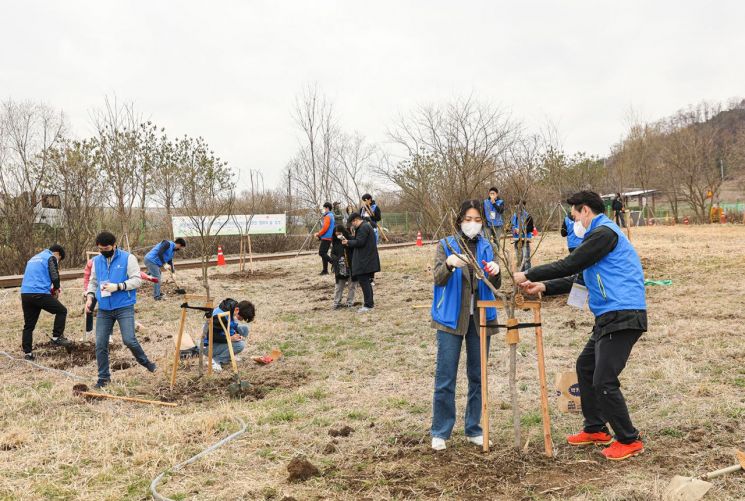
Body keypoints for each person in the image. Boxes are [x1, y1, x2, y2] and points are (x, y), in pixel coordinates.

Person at [513, 190, 647, 461]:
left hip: (623, 314)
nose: (572, 218)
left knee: (604, 380)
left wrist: (528, 272)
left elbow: (571, 263)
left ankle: (628, 439)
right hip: (608, 316)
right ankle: (596, 428)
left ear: (585, 210)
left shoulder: (604, 233)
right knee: (586, 367)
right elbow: (581, 277)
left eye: (574, 212)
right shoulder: (597, 238)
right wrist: (544, 286)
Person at [430, 199, 501, 451]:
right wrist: (449, 263)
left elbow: (496, 284)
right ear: (460, 220)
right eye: (468, 219)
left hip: (481, 318)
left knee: (478, 375)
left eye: (478, 220)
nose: (473, 224)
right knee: (445, 377)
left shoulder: (487, 246)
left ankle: (474, 428)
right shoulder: (446, 244)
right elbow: (438, 278)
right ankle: (440, 430)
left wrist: (496, 270)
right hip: (451, 318)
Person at [86, 231, 156, 388]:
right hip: (104, 308)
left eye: (107, 248)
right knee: (100, 344)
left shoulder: (127, 258)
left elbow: (137, 280)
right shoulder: (96, 261)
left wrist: (118, 286)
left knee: (129, 339)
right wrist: (90, 297)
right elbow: (93, 282)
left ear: (114, 245)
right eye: (101, 249)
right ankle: (103, 378)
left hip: (124, 305)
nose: (104, 251)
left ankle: (146, 363)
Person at [83, 255, 159, 339]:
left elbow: (137, 273)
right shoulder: (93, 262)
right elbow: (87, 278)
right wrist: (87, 291)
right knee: (89, 310)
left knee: (109, 310)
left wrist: (148, 277)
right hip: (94, 290)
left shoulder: (114, 261)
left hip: (106, 288)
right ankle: (88, 332)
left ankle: (109, 335)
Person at [20, 244, 71, 360]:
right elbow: (54, 274)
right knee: (62, 311)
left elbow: (37, 276)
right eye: (59, 260)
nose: (58, 262)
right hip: (39, 293)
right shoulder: (50, 257)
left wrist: (50, 290)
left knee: (28, 326)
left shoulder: (33, 258)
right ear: (57, 254)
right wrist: (57, 288)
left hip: (25, 294)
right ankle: (57, 336)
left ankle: (28, 353)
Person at [340, 212, 380, 313]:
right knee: (366, 282)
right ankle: (369, 303)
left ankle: (368, 305)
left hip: (365, 260)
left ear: (356, 220)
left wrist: (348, 242)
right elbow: (359, 239)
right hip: (366, 259)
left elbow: (360, 242)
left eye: (352, 223)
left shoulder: (363, 227)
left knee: (364, 282)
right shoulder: (365, 226)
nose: (352, 225)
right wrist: (349, 239)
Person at [202, 298, 255, 372]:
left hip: (220, 336)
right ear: (237, 310)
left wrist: (235, 333)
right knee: (240, 345)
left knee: (244, 329)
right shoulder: (220, 316)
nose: (241, 320)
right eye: (241, 317)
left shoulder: (231, 307)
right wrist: (230, 338)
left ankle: (228, 355)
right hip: (208, 346)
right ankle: (216, 361)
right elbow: (211, 336)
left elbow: (228, 326)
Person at [330, 225, 357, 309]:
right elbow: (332, 253)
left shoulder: (350, 239)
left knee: (352, 285)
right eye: (336, 234)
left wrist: (347, 243)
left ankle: (350, 302)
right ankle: (336, 302)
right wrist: (337, 260)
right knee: (339, 286)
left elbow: (355, 249)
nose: (338, 236)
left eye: (340, 234)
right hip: (340, 267)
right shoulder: (335, 242)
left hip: (351, 266)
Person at [511, 200, 534, 271]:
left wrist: (521, 230)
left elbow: (531, 228)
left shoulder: (528, 216)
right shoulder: (514, 216)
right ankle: (521, 275)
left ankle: (528, 276)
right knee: (519, 259)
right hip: (516, 240)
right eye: (516, 205)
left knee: (526, 259)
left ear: (523, 206)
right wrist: (511, 229)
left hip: (525, 240)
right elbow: (510, 226)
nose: (517, 207)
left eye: (519, 205)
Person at [315, 202, 335, 275]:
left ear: (327, 208)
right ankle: (325, 270)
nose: (323, 210)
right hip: (328, 236)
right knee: (324, 253)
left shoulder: (328, 216)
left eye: (324, 208)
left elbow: (325, 228)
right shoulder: (331, 215)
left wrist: (318, 234)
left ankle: (334, 263)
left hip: (326, 237)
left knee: (321, 253)